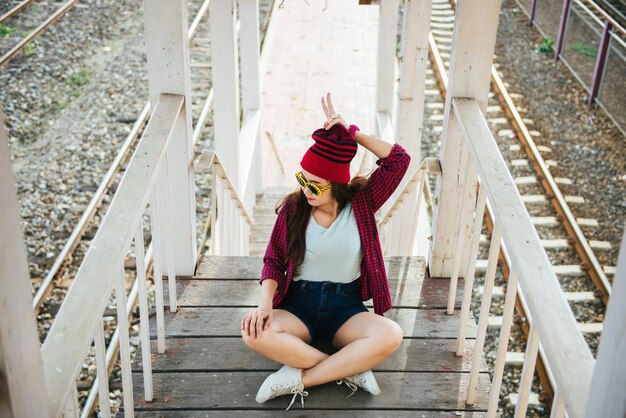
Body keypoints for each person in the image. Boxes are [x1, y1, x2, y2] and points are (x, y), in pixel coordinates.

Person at [241, 92, 411, 410]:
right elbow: (273, 259)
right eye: (302, 179)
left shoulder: (362, 201)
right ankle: (348, 368)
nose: (307, 190)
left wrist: (353, 133)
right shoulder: (294, 208)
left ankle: (301, 378)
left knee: (391, 335)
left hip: (345, 306)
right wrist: (264, 303)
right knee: (253, 333)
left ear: (336, 183)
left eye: (316, 185)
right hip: (298, 305)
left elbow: (399, 161)